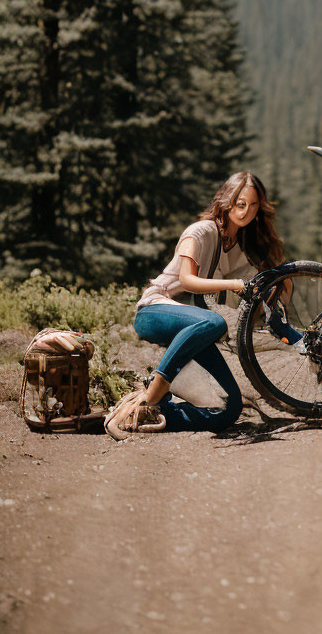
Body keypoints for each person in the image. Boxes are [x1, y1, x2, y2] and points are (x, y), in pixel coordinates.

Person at [104, 171, 288, 440]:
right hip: (155, 310)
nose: (246, 211)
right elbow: (186, 280)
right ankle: (150, 398)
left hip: (198, 329)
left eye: (253, 205)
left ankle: (153, 415)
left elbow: (265, 279)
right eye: (240, 203)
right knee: (214, 322)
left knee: (229, 409)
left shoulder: (241, 244)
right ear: (226, 200)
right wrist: (232, 284)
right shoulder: (200, 231)